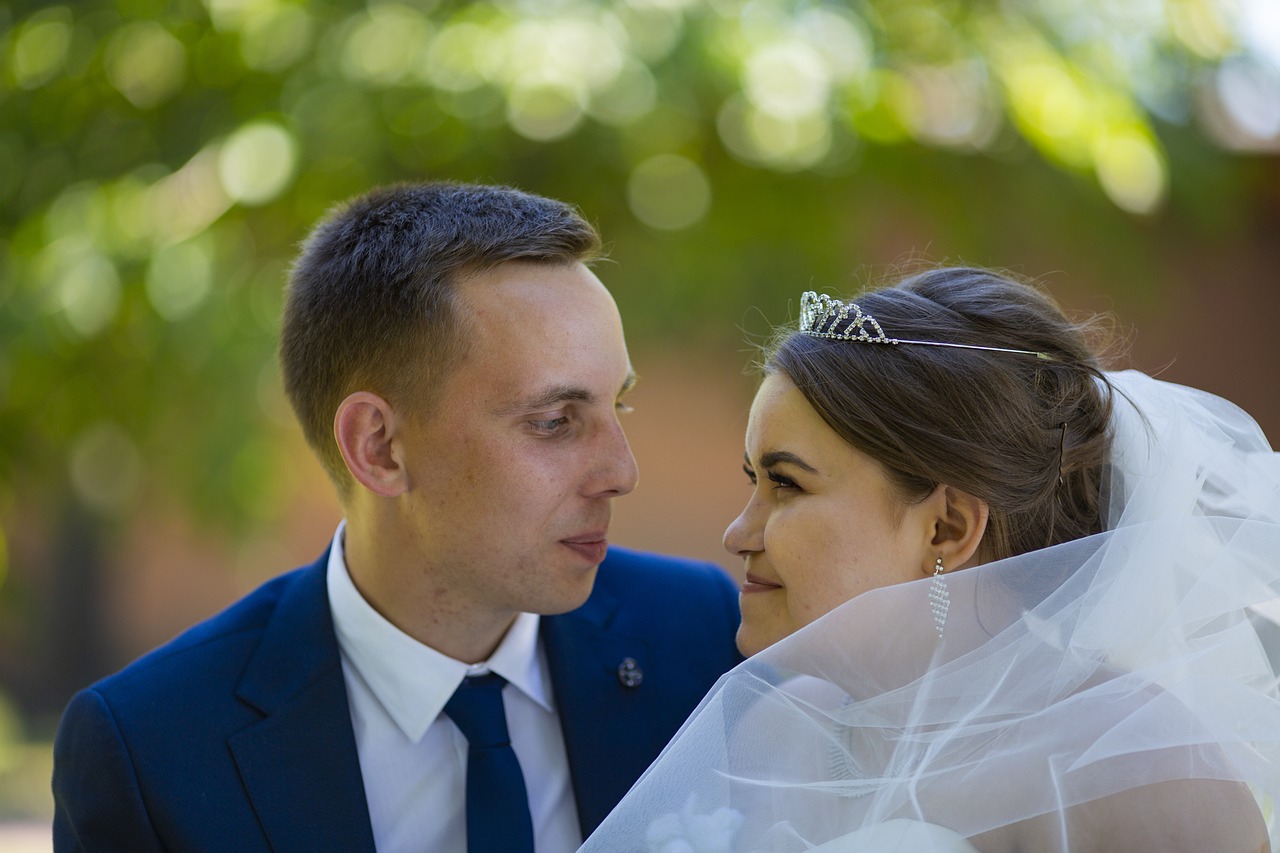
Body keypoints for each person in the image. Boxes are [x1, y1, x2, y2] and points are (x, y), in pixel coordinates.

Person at [51, 181, 742, 852]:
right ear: (378, 447)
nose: (623, 472)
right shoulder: (149, 753)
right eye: (555, 420)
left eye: (618, 404)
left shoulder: (704, 638)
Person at [580, 267, 1280, 852]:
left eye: (787, 484)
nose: (738, 533)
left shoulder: (1140, 772)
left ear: (946, 528)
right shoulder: (779, 726)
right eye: (752, 482)